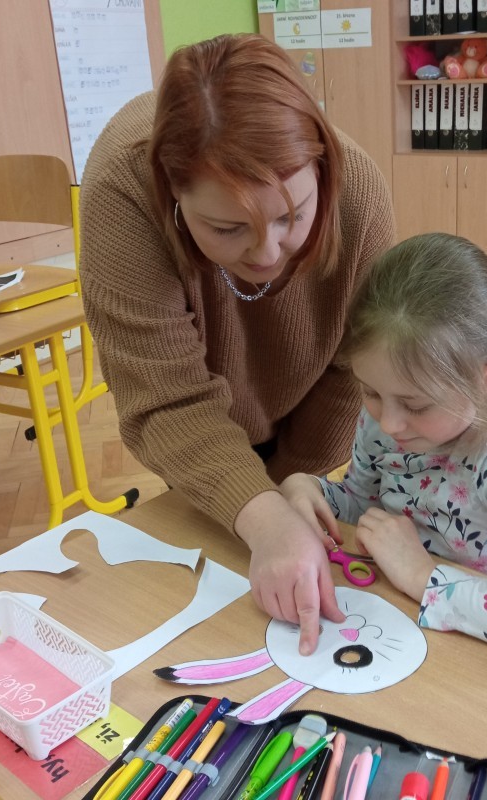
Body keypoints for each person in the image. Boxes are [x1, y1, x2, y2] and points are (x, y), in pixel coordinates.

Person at [79, 33, 395, 656]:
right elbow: (167, 403)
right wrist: (259, 514)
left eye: (292, 216)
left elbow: (349, 371)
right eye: (227, 228)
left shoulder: (358, 194)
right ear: (173, 197)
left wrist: (287, 494)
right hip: (197, 429)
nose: (269, 252)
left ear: (321, 172)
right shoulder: (123, 190)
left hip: (301, 426)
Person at [280, 233, 487, 679]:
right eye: (370, 392)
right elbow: (365, 505)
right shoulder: (394, 400)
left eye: (417, 406)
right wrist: (311, 490)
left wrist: (423, 577)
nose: (389, 424)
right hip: (400, 615)